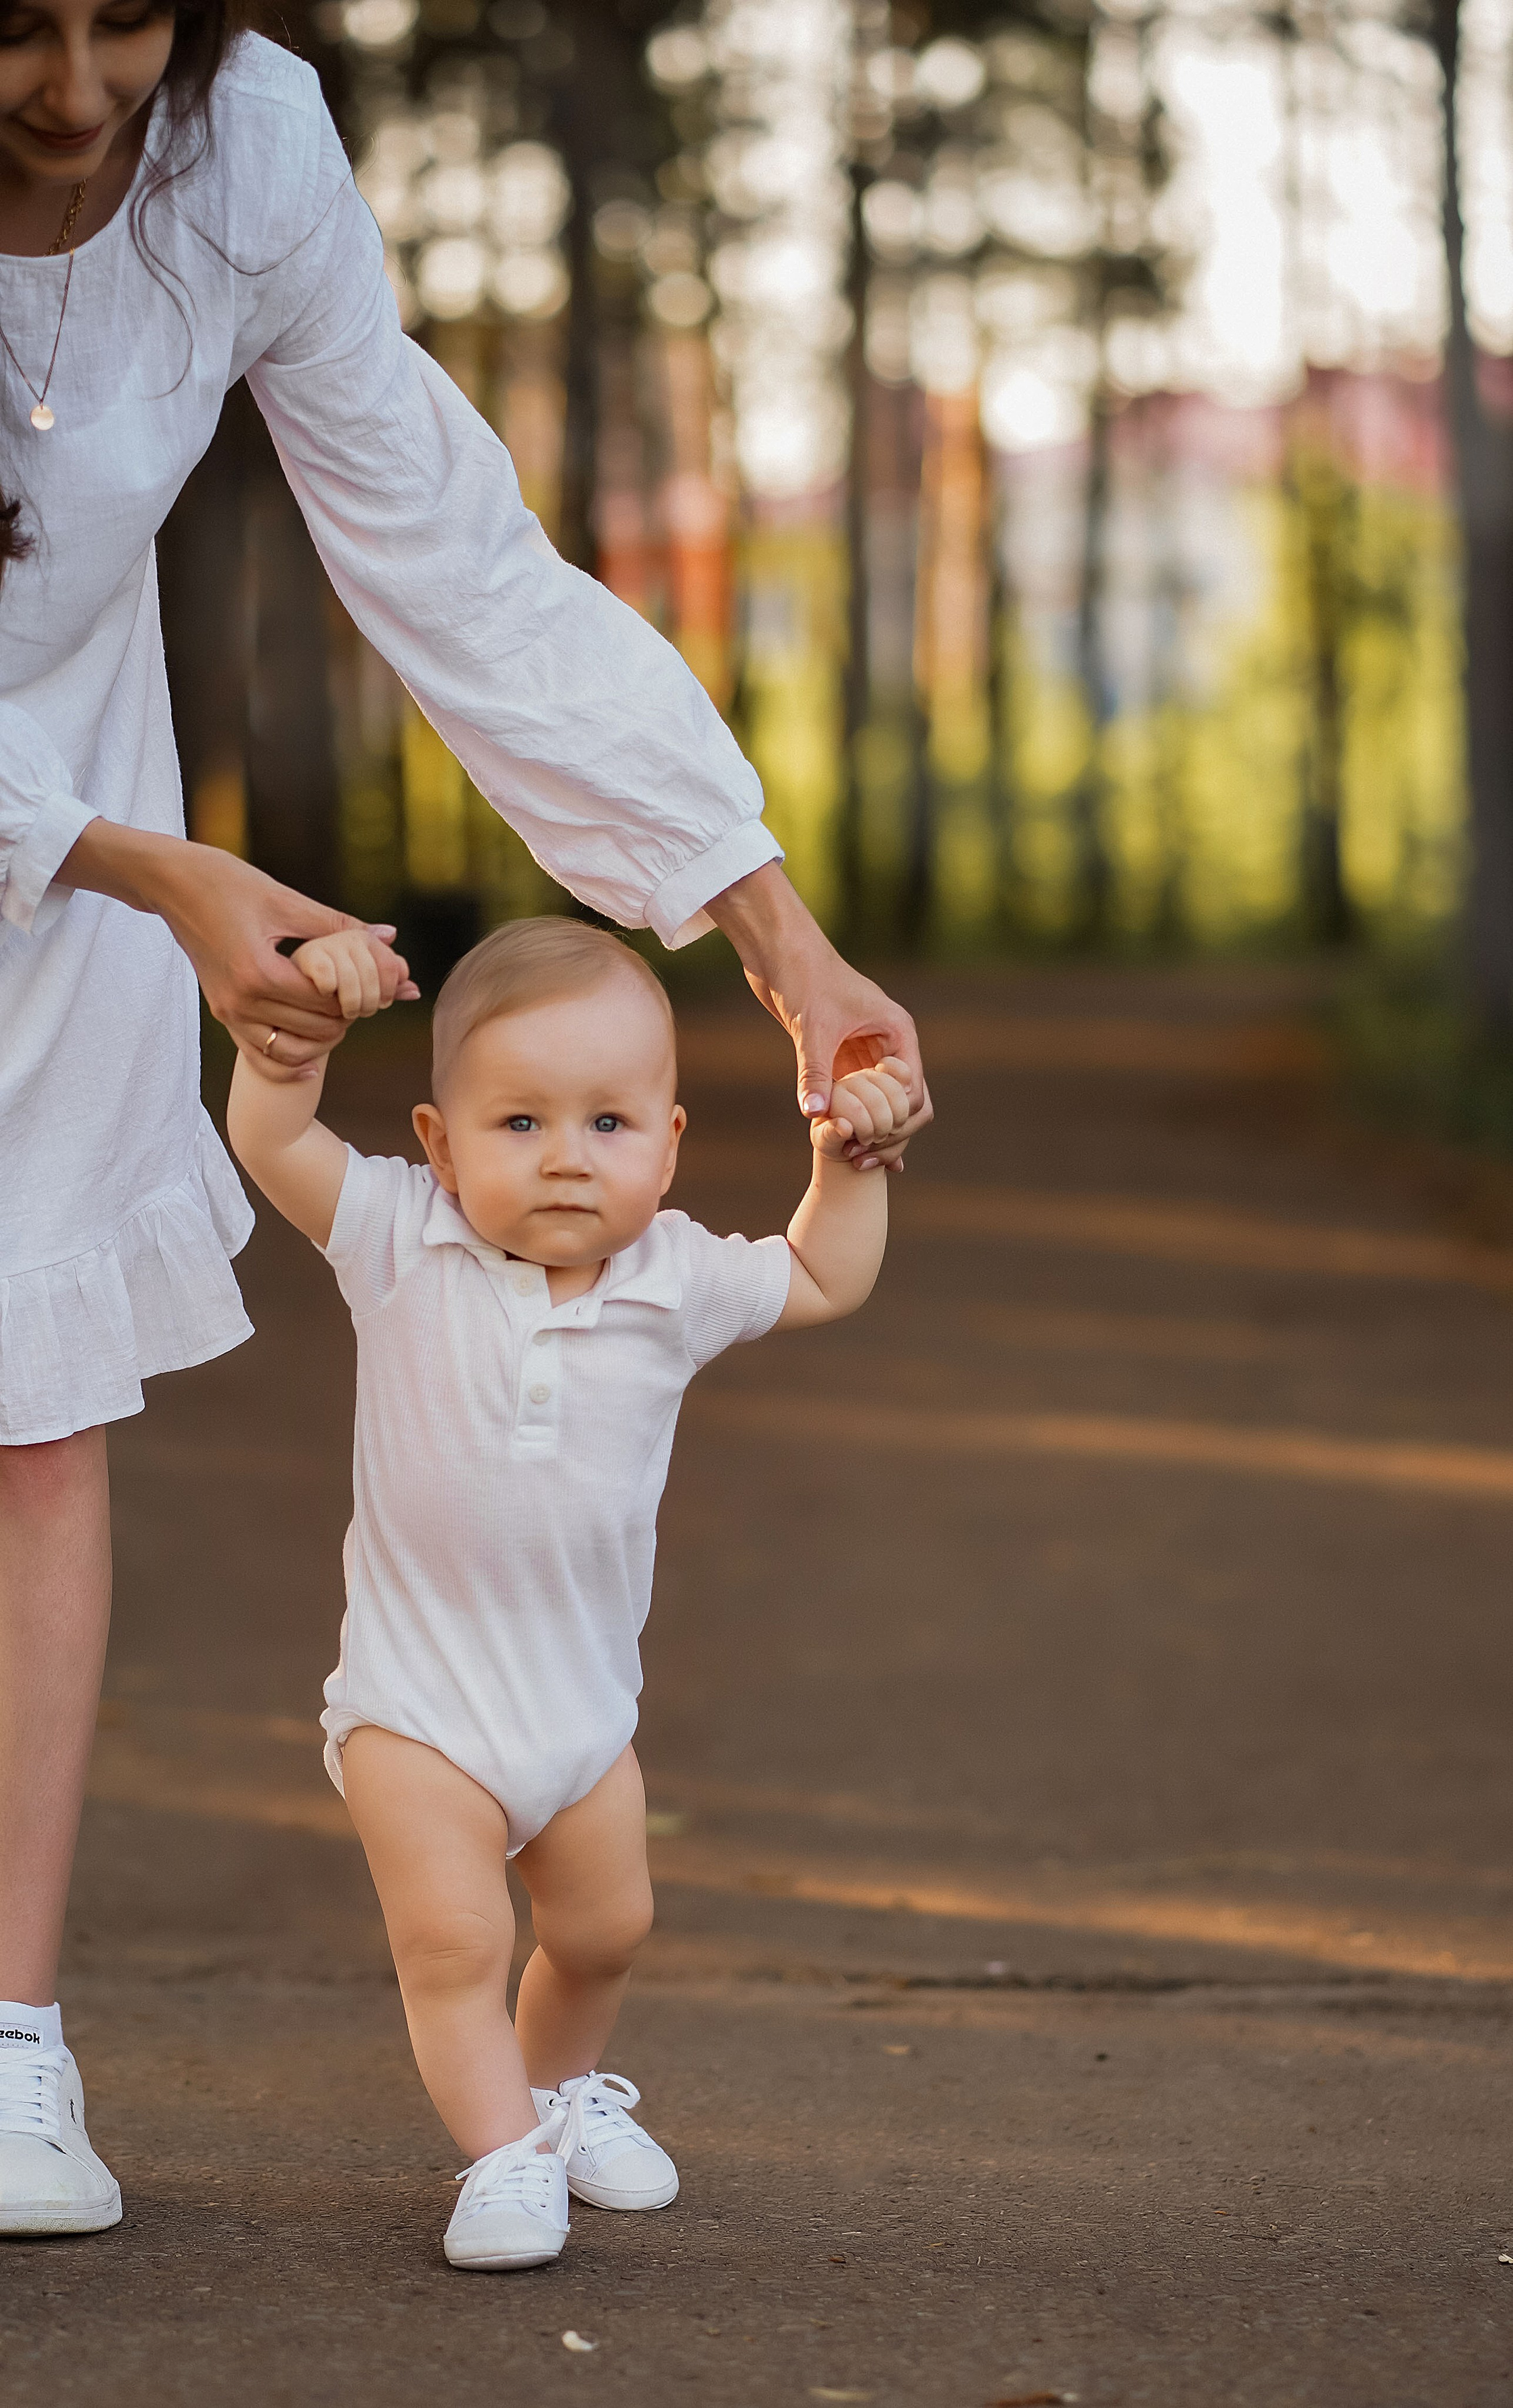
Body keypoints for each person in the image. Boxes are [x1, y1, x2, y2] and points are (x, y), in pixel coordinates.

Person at [0, 0, 931, 2237]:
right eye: (17, 27)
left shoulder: (249, 155)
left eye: (130, 18)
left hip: (76, 852)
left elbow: (454, 557)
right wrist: (161, 865)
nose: (75, 89)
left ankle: (6, 2042)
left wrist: (777, 943)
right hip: (102, 846)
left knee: (29, 1414)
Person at [224, 916, 911, 2270]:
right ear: (436, 1143)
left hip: (583, 1713)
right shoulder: (397, 1241)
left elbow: (827, 1271)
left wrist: (849, 1161)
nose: (562, 1157)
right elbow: (271, 1142)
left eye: (606, 1124)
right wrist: (292, 1041)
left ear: (668, 1142)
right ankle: (501, 2155)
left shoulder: (676, 1282)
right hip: (415, 1711)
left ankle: (555, 2093)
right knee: (452, 1941)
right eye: (519, 1122)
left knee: (605, 1930)